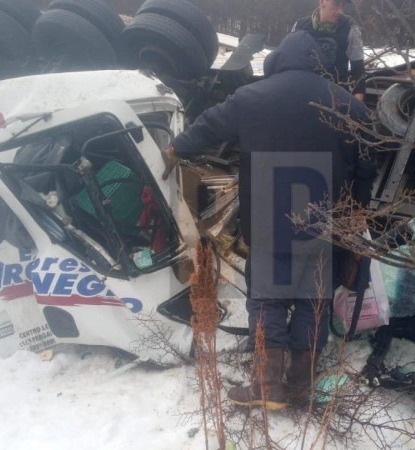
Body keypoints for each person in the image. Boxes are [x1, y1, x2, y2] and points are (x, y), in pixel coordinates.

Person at [162, 30, 376, 409]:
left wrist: (176, 148)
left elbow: (208, 127)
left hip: (270, 217)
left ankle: (267, 386)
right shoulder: (345, 104)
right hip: (322, 218)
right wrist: (359, 207)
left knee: (269, 300)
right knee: (313, 301)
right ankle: (299, 386)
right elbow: (367, 160)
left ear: (277, 61)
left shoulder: (251, 97)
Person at [292, 0, 366, 101]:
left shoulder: (350, 28)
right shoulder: (299, 26)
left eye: (342, 5)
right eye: (335, 4)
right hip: (303, 95)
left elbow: (358, 70)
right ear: (322, 1)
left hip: (336, 99)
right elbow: (289, 63)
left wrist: (357, 105)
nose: (340, 11)